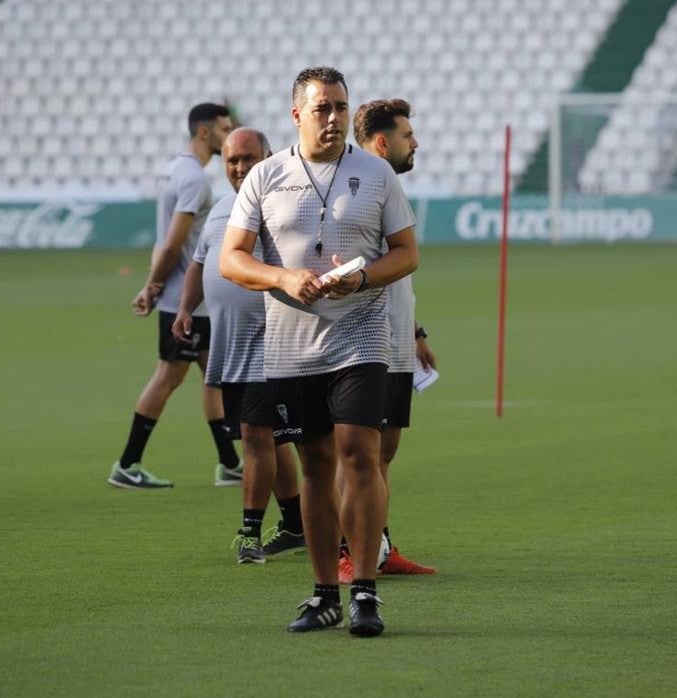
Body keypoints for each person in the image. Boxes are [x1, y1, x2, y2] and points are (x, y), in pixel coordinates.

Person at [221, 66, 418, 637]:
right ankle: (322, 593)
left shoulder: (377, 172)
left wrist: (362, 280)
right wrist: (282, 279)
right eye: (321, 109)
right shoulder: (266, 175)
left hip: (361, 333)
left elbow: (407, 253)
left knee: (359, 450)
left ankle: (364, 590)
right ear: (297, 115)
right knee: (314, 466)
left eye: (339, 107)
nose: (333, 119)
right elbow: (232, 258)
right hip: (291, 346)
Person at [172, 127, 305, 564]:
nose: (241, 168)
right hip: (229, 344)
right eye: (232, 161)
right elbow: (200, 263)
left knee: (255, 436)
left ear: (269, 157)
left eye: (250, 158)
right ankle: (296, 523)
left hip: (272, 344)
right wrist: (186, 308)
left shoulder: (286, 205)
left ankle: (248, 533)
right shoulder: (220, 210)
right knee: (272, 439)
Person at [107, 103, 237, 490]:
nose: (228, 136)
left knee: (213, 376)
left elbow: (164, 242)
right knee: (169, 376)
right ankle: (128, 464)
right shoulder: (196, 180)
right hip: (187, 300)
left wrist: (154, 283)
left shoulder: (173, 170)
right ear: (203, 132)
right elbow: (174, 242)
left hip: (187, 298)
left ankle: (229, 463)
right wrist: (152, 285)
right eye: (224, 128)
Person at [336, 98, 437, 581]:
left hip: (397, 340)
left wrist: (416, 332)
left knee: (384, 454)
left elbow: (398, 266)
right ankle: (345, 551)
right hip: (364, 341)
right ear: (381, 142)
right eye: (407, 135)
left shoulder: (388, 187)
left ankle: (377, 546)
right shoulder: (356, 187)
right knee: (358, 453)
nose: (415, 142)